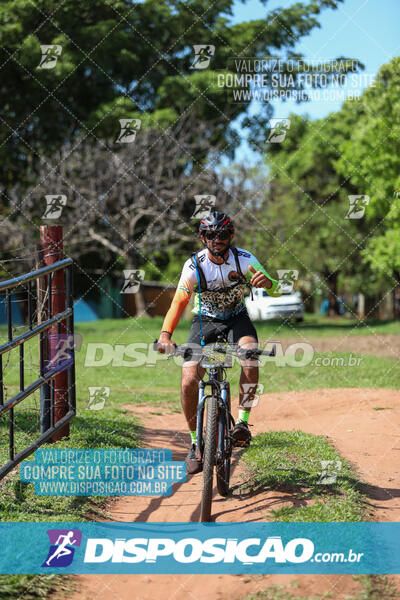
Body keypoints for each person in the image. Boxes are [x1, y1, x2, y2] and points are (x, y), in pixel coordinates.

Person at [157, 211, 281, 474]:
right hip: (204, 321)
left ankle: (243, 424)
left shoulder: (245, 259)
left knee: (250, 358)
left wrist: (268, 282)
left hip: (237, 318)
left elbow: (276, 289)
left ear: (231, 235)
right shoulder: (194, 266)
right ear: (203, 237)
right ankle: (194, 443)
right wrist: (166, 335)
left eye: (222, 234)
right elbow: (178, 303)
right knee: (189, 378)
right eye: (210, 235)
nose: (217, 240)